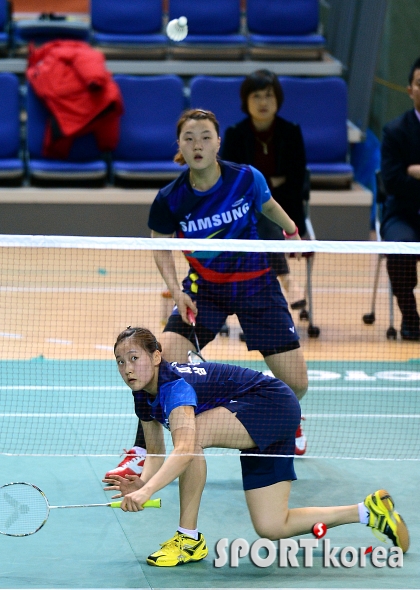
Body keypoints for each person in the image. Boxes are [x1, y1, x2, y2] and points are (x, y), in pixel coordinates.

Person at [105, 107, 309, 481]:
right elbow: (160, 246)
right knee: (155, 366)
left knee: (296, 383)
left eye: (205, 137)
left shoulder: (246, 178)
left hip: (256, 285)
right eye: (189, 138)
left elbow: (267, 204)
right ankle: (140, 452)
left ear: (218, 142)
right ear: (180, 146)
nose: (198, 145)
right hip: (204, 291)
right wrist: (176, 291)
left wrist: (292, 229)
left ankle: (289, 419)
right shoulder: (171, 198)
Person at [103, 326, 409, 567]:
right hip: (257, 416)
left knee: (192, 440)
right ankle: (368, 512)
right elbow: (156, 453)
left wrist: (146, 492)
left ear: (156, 357)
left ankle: (188, 539)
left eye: (134, 358)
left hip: (270, 402)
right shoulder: (142, 396)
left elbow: (185, 449)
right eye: (120, 361)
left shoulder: (176, 386)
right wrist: (143, 483)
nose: (127, 368)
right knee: (272, 525)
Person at [221, 69, 309, 312]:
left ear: (277, 99)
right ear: (245, 100)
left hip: (288, 214)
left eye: (268, 95)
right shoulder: (235, 135)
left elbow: (296, 182)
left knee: (263, 210)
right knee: (260, 210)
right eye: (256, 96)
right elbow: (232, 184)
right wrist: (271, 184)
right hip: (242, 216)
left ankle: (264, 305)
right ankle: (287, 280)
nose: (262, 102)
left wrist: (260, 187)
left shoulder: (291, 133)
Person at [381, 57, 420, 341]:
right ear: (410, 89)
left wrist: (415, 171)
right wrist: (407, 175)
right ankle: (410, 317)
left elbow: (402, 176)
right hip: (402, 214)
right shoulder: (395, 131)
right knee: (399, 247)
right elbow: (392, 181)